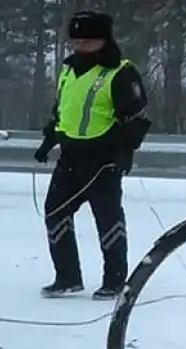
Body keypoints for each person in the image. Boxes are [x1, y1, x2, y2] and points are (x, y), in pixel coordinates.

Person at [34, 11, 151, 300]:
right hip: (71, 154)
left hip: (104, 157)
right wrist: (49, 140)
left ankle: (114, 280)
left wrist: (125, 153)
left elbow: (135, 119)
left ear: (103, 39)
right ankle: (67, 277)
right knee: (55, 213)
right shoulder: (68, 70)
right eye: (77, 41)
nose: (81, 46)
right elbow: (62, 110)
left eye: (88, 41)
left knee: (108, 220)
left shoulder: (120, 72)